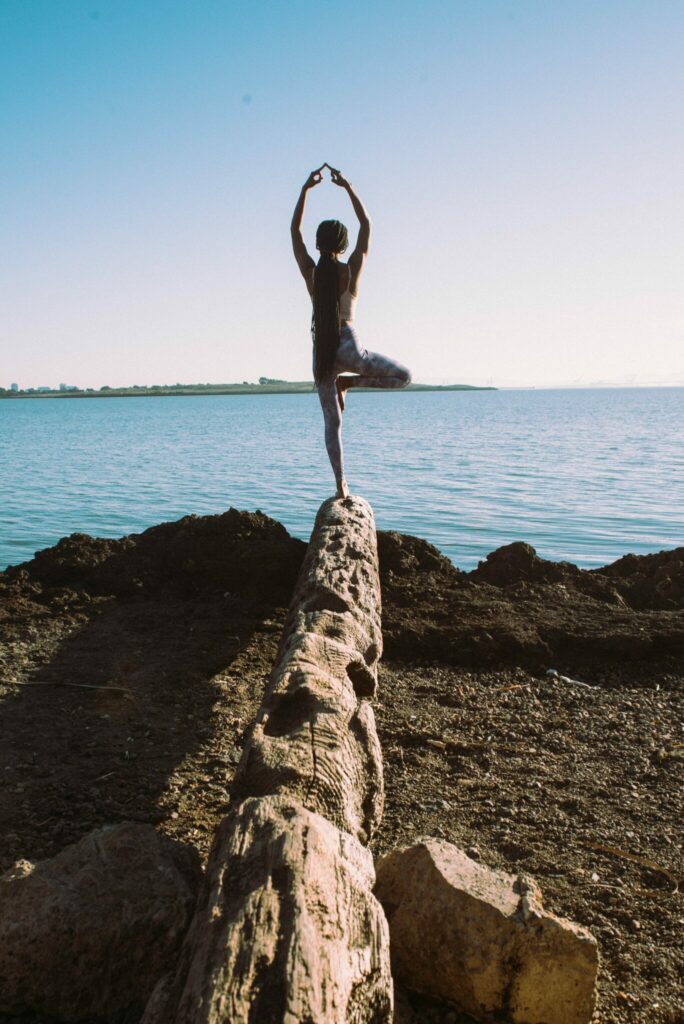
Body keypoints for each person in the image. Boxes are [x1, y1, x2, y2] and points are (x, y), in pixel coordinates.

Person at [291, 164, 412, 498]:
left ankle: (340, 485)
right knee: (403, 376)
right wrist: (348, 186)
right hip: (349, 343)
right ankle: (351, 382)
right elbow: (367, 225)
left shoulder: (311, 274)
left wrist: (305, 190)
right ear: (342, 245)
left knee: (333, 424)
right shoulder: (351, 268)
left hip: (323, 351)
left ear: (318, 244)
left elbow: (294, 233)